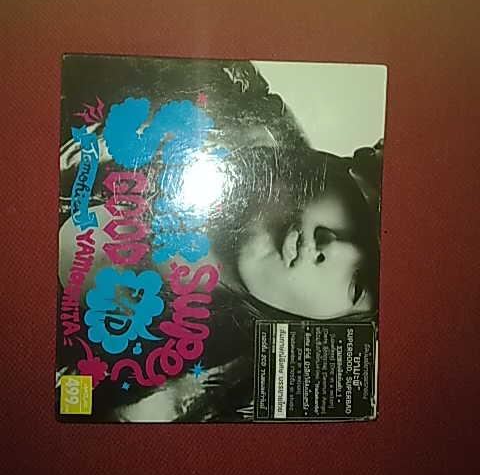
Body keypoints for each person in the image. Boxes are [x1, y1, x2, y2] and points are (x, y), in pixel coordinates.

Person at [57, 56, 383, 422]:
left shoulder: (191, 405)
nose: (337, 246)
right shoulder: (213, 87)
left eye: (360, 286)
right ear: (343, 165)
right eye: (367, 212)